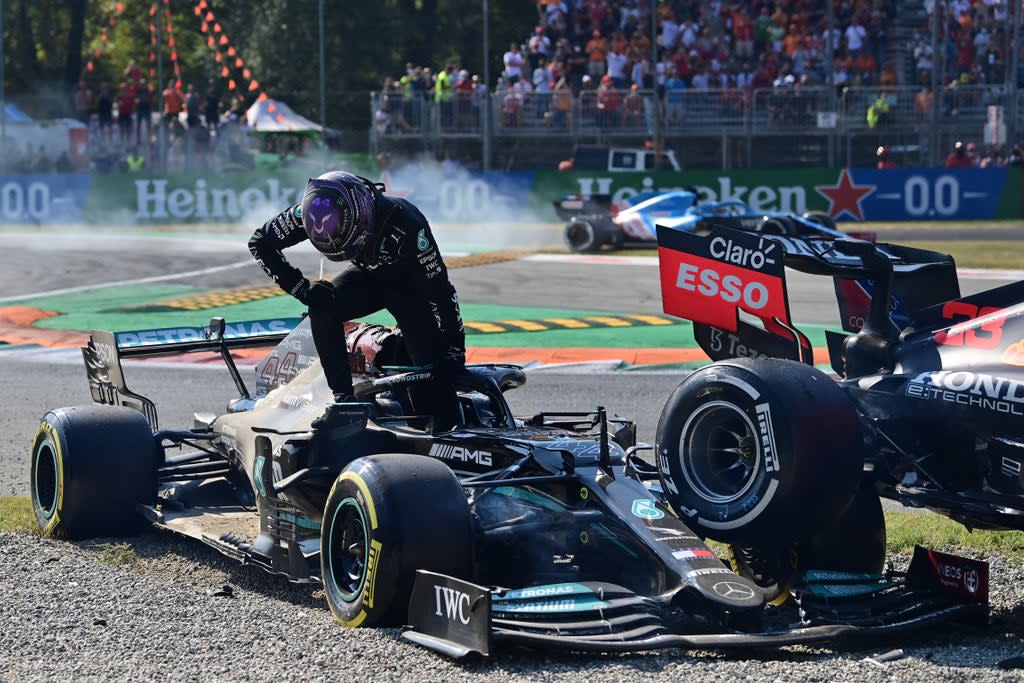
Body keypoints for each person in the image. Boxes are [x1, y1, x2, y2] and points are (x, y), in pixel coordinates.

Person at [247, 171, 466, 432]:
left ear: (363, 218)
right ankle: (344, 402)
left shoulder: (406, 225)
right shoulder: (314, 210)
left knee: (434, 372)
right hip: (368, 277)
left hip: (410, 288)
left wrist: (454, 348)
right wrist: (302, 289)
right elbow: (260, 241)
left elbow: (439, 290)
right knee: (321, 306)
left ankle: (448, 427)